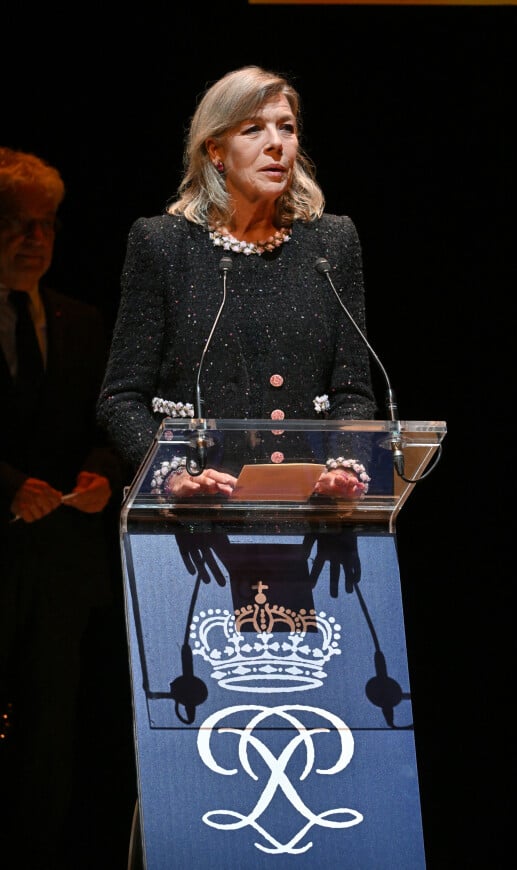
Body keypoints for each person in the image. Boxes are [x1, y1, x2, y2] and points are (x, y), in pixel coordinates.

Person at [97, 65, 377, 501]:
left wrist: (342, 466)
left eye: (286, 128)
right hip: (197, 521)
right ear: (215, 151)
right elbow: (121, 398)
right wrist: (175, 476)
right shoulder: (163, 244)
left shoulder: (332, 242)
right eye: (253, 130)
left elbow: (353, 391)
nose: (276, 144)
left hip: (311, 511)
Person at [0, 147, 127, 867]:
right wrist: (8, 485)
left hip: (60, 571)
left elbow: (106, 428)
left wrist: (102, 476)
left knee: (49, 745)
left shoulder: (80, 321)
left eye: (45, 225)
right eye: (17, 224)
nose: (34, 239)